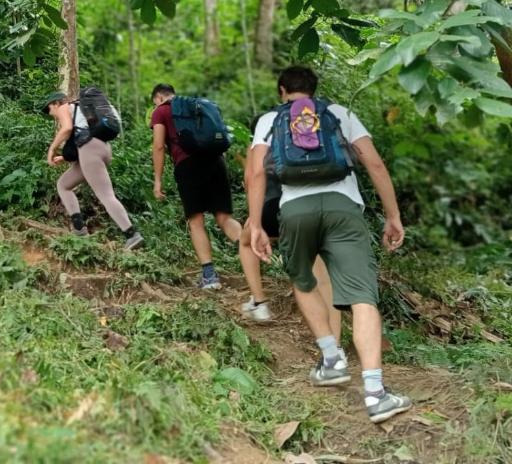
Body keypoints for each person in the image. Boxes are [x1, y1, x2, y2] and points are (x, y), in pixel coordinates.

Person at [247, 66, 411, 423]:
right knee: (362, 297)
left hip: (294, 210)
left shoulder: (269, 120)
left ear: (282, 91)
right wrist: (393, 215)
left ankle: (331, 357)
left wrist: (257, 223)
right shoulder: (338, 113)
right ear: (314, 90)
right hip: (344, 208)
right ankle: (376, 394)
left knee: (302, 278)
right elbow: (375, 163)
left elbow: (257, 172)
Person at [238, 115, 342, 345]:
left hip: (273, 208)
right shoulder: (297, 140)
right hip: (311, 207)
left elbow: (251, 179)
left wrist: (253, 220)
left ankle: (259, 303)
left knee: (245, 242)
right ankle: (335, 343)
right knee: (322, 275)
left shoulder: (257, 145)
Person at [150, 84, 242, 289]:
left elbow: (158, 145)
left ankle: (210, 277)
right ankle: (254, 252)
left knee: (196, 220)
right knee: (224, 217)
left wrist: (157, 180)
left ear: (158, 97)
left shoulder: (161, 111)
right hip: (216, 161)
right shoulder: (197, 105)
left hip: (188, 165)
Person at [41, 91, 144, 250]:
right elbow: (80, 135)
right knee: (63, 185)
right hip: (102, 148)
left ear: (55, 103)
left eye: (48, 109)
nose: (50, 113)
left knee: (106, 195)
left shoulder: (63, 107)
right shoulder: (80, 109)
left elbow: (67, 129)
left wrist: (51, 149)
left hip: (90, 150)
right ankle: (79, 229)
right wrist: (63, 157)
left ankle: (131, 235)